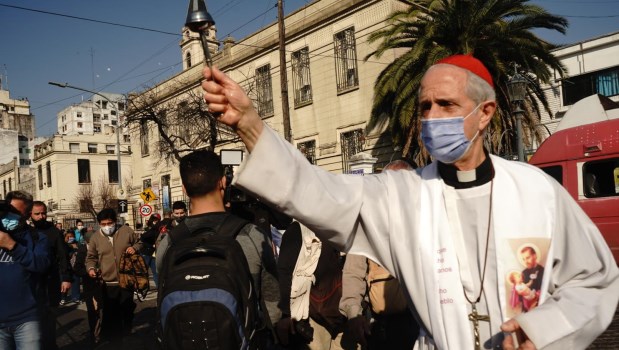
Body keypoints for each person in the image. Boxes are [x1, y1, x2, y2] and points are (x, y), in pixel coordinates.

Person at [201, 55, 619, 350]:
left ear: (486, 112)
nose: (432, 117)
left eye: (447, 104)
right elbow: (317, 191)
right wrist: (252, 126)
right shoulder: (402, 195)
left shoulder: (538, 192)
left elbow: (596, 281)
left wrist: (542, 329)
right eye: (425, 106)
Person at [155, 150, 281, 337]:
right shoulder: (251, 236)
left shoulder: (168, 243)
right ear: (222, 182)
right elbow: (272, 302)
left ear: (184, 189)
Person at [339, 161, 418, 350]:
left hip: (422, 324)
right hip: (384, 329)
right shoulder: (367, 224)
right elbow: (353, 273)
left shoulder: (425, 218)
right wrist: (354, 314)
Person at [276, 222, 356, 349]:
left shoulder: (341, 227)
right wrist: (285, 313)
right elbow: (284, 272)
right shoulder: (297, 230)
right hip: (313, 314)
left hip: (341, 311)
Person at [1, 191, 50, 350]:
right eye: (8, 211)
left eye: (16, 213)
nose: (10, 215)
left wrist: (12, 246)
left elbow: (41, 264)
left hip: (27, 317)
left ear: (27, 214)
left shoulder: (37, 238)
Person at [86, 208, 142, 343]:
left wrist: (135, 248)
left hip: (126, 278)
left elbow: (139, 242)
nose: (107, 227)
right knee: (111, 312)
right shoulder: (95, 238)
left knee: (127, 306)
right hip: (108, 282)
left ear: (115, 222)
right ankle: (113, 339)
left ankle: (127, 330)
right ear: (99, 224)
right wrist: (91, 268)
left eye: (109, 223)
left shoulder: (126, 231)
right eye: (103, 224)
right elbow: (91, 258)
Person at [29, 201, 72, 350]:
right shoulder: (25, 231)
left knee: (49, 322)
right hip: (30, 284)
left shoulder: (54, 231)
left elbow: (62, 255)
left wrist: (65, 278)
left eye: (44, 213)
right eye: (37, 214)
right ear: (30, 214)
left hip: (50, 282)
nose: (42, 216)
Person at [139, 213, 162, 287]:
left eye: (157, 220)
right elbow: (143, 238)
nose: (155, 222)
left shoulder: (158, 229)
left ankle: (159, 288)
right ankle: (142, 287)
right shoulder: (149, 228)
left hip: (154, 252)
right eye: (154, 220)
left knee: (156, 272)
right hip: (146, 252)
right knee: (143, 271)